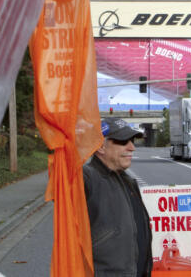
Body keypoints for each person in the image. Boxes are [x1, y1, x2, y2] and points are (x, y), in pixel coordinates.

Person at [83, 117, 153, 277]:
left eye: (132, 141)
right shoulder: (88, 176)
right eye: (123, 142)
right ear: (100, 146)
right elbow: (65, 185)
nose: (132, 147)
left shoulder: (126, 179)